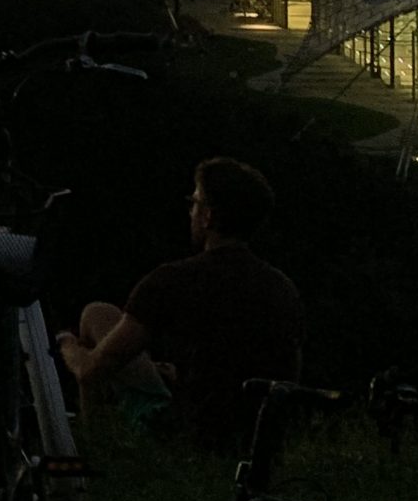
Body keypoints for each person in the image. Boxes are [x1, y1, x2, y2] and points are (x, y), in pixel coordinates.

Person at [57, 158, 304, 450]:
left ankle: (95, 454)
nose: (191, 211)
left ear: (208, 217)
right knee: (99, 314)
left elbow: (91, 369)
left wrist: (67, 345)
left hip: (184, 436)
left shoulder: (171, 280)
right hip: (252, 439)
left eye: (195, 202)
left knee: (90, 328)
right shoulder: (282, 289)